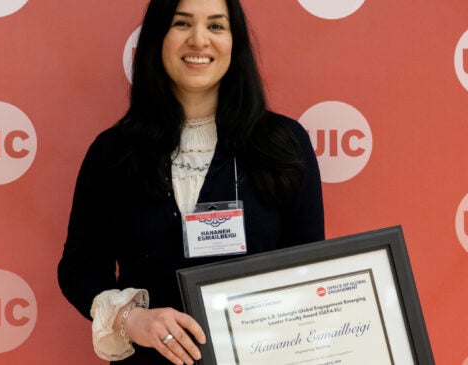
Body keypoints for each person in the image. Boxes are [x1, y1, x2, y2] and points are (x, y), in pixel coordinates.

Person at [57, 0, 324, 363]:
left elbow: (310, 267)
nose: (199, 40)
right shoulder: (113, 152)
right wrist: (130, 318)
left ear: (235, 42)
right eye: (182, 24)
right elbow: (80, 268)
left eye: (216, 26)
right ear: (157, 38)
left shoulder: (284, 143)